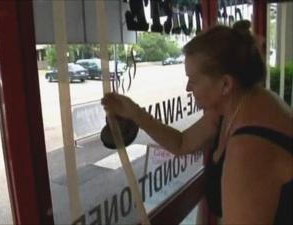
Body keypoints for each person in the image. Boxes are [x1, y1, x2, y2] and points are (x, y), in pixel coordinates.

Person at [101, 20, 292, 225]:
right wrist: (134, 112)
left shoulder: (248, 148)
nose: (187, 88)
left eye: (193, 80)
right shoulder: (237, 105)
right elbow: (182, 143)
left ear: (225, 84)